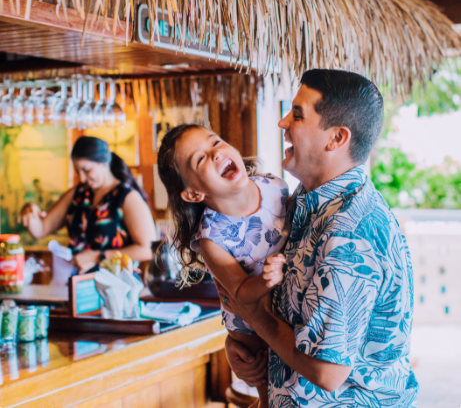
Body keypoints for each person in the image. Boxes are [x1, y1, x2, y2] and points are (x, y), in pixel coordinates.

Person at [219, 69, 418, 407]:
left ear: (336, 138)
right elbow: (295, 321)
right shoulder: (303, 204)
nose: (283, 123)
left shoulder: (350, 232)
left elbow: (327, 372)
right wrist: (246, 345)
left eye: (297, 115)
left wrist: (253, 316)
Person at [157, 124, 289, 408]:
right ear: (193, 194)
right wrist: (267, 280)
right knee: (268, 389)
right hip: (248, 320)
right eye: (200, 159)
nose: (215, 153)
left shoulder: (275, 185)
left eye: (215, 142)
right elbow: (239, 293)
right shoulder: (212, 238)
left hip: (286, 305)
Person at [19, 136, 156, 273]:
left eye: (86, 170)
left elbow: (147, 250)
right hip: (78, 285)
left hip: (115, 287)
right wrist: (29, 212)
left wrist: (99, 256)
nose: (82, 177)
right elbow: (41, 229)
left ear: (104, 163)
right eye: (78, 171)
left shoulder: (127, 197)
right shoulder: (77, 194)